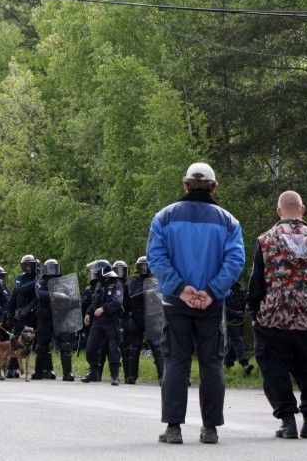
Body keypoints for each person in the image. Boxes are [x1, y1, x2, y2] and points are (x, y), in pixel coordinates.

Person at [148, 162, 245, 445]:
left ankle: (174, 428)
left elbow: (156, 257)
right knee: (211, 363)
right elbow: (235, 260)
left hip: (176, 301)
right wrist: (212, 291)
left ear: (185, 184)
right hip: (211, 303)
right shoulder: (228, 221)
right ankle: (210, 429)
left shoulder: (164, 217)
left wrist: (181, 288)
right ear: (214, 187)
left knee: (176, 362)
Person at [246, 190, 307, 441]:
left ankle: (287, 421)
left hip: (274, 317)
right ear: (302, 209)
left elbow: (257, 282)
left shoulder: (266, 240)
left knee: (274, 368)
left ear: (279, 212)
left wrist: (254, 311)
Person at [123, 256, 164, 384]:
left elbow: (161, 299)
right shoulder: (134, 282)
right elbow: (132, 295)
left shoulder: (156, 281)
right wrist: (147, 291)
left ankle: (163, 376)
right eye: (141, 266)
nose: (144, 268)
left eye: (146, 265)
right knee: (134, 348)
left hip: (152, 317)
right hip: (137, 317)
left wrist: (154, 293)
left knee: (157, 347)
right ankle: (131, 376)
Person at [82, 263, 124, 386]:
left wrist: (104, 308)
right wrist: (88, 313)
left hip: (112, 322)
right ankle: (94, 372)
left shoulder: (117, 285)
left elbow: (117, 302)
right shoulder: (99, 285)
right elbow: (94, 302)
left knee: (113, 350)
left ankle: (115, 376)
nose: (94, 272)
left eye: (96, 270)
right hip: (98, 322)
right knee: (90, 349)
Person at [6, 254, 38, 378]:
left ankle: (44, 369)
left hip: (37, 314)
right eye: (26, 265)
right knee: (16, 341)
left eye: (30, 265)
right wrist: (9, 314)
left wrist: (39, 282)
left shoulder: (40, 278)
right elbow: (18, 292)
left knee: (40, 342)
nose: (28, 267)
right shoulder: (20, 278)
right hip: (24, 314)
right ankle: (11, 368)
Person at [32, 258, 60, 380]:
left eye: (54, 268)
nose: (52, 271)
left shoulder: (61, 282)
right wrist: (54, 295)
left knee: (65, 345)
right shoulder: (40, 282)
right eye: (50, 268)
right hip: (44, 317)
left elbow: (68, 296)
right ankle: (39, 372)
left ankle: (67, 373)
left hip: (59, 317)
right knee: (42, 346)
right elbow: (41, 296)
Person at [223, 281, 254, 375]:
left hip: (240, 321)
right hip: (229, 321)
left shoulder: (240, 288)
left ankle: (228, 362)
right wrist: (235, 313)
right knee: (237, 340)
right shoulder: (224, 288)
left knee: (235, 344)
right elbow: (223, 307)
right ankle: (245, 364)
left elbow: (247, 302)